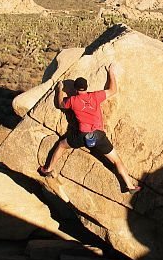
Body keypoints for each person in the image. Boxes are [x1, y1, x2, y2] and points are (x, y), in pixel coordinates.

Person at [38, 63, 141, 194]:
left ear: (76, 89)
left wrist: (59, 90)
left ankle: (48, 169)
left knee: (62, 145)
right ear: (86, 87)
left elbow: (59, 104)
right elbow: (113, 90)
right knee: (116, 161)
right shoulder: (95, 96)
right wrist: (111, 73)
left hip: (82, 136)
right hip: (99, 136)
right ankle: (130, 186)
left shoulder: (72, 100)